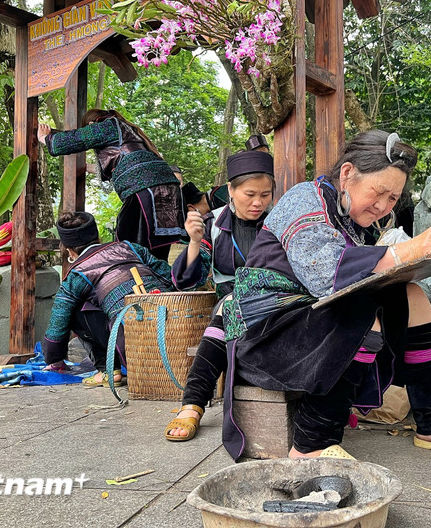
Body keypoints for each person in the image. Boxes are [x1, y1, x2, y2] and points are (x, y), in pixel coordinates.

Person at [221, 130, 431, 462]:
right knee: (361, 309)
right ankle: (311, 443)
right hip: (264, 333)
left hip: (309, 321)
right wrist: (407, 249)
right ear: (348, 174)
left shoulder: (354, 220)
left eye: (393, 199)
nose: (382, 206)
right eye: (378, 193)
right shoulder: (304, 198)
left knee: (413, 296)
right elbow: (326, 277)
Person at [165, 150, 274, 442]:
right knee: (229, 306)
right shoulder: (212, 224)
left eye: (265, 194)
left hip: (276, 303)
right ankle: (193, 402)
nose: (258, 202)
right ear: (230, 190)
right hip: (231, 305)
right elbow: (185, 280)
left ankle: (193, 404)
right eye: (250, 193)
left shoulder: (279, 222)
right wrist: (194, 241)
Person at [42, 211, 175, 387]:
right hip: (175, 329)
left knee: (71, 308)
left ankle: (108, 370)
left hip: (135, 349)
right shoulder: (130, 247)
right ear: (97, 238)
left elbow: (58, 324)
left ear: (69, 251)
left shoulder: (77, 273)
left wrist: (54, 358)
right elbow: (169, 276)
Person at [37, 109, 185, 260]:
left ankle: (132, 280)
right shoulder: (128, 130)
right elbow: (126, 161)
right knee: (156, 247)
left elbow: (76, 139)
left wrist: (45, 138)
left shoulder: (108, 125)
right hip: (169, 189)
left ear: (91, 123)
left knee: (127, 246)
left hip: (144, 188)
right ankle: (156, 280)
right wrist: (87, 167)